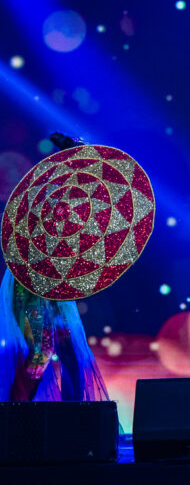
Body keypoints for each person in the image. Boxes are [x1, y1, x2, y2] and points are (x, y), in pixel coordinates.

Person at [0, 132, 108, 403]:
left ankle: (77, 416)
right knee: (42, 350)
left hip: (54, 282)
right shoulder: (43, 195)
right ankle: (17, 413)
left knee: (70, 351)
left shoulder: (79, 202)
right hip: (29, 281)